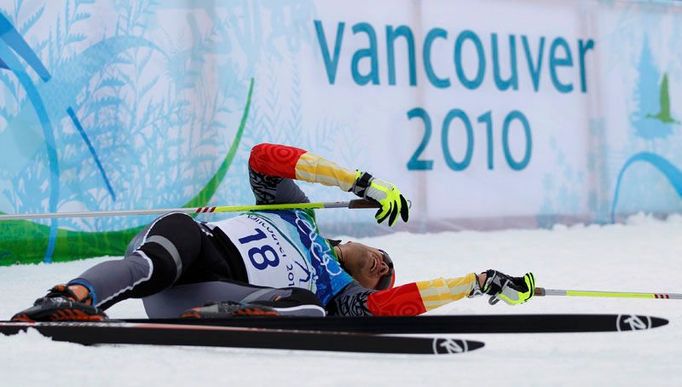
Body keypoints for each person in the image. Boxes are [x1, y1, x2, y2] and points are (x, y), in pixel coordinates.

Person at [12, 143, 535, 322]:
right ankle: (68, 297)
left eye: (383, 277)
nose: (382, 269)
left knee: (309, 303)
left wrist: (477, 280)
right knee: (162, 257)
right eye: (382, 257)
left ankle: (225, 319)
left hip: (206, 298)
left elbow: (385, 307)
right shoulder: (298, 213)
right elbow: (264, 157)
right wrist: (362, 182)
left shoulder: (341, 290)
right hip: (191, 251)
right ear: (358, 240)